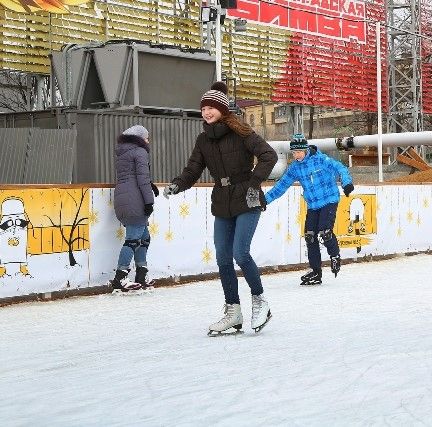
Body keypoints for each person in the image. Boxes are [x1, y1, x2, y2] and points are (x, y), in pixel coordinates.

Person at [164, 82, 278, 335]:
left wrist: (254, 183)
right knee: (223, 258)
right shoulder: (204, 140)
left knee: (241, 253)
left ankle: (260, 302)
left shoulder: (242, 133)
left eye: (211, 107)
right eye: (203, 108)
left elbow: (269, 155)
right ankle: (233, 311)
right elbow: (193, 169)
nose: (206, 112)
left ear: (222, 109)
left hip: (247, 198)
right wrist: (177, 185)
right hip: (222, 201)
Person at [264, 134, 354, 286]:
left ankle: (334, 256)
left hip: (329, 200)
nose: (296, 155)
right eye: (293, 153)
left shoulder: (321, 160)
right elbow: (281, 186)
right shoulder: (295, 168)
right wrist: (264, 200)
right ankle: (315, 271)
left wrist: (346, 183)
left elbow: (340, 167)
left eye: (299, 152)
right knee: (310, 236)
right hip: (313, 205)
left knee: (325, 232)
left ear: (305, 150)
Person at [110, 125, 159, 292]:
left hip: (123, 198)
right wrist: (149, 202)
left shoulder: (124, 152)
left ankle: (141, 273)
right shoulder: (140, 152)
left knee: (144, 238)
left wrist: (150, 185)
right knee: (132, 240)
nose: (148, 140)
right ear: (139, 138)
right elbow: (142, 179)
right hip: (135, 200)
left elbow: (131, 175)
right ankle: (120, 277)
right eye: (146, 137)